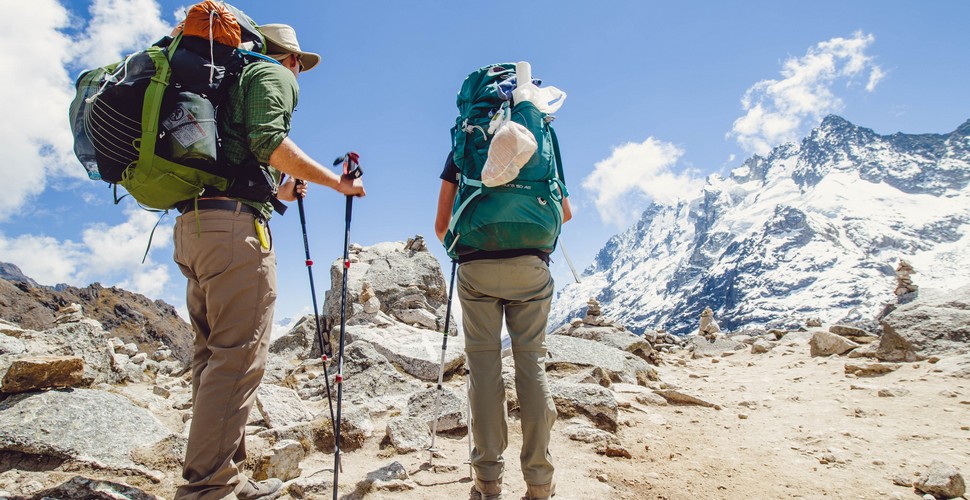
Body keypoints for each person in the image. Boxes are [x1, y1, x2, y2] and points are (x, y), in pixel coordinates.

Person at [174, 23, 365, 500]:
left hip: (194, 228)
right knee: (238, 360)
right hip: (233, 234)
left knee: (213, 358)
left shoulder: (223, 81)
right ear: (290, 58)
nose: (300, 72)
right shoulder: (270, 74)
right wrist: (336, 183)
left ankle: (224, 475)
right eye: (300, 62)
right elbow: (269, 142)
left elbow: (237, 161)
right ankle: (208, 489)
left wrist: (276, 198)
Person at [435, 150, 571, 500]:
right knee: (532, 363)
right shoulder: (541, 147)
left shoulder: (466, 145)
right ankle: (540, 482)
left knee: (483, 367)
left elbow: (442, 225)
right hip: (531, 267)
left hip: (476, 268)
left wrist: (467, 251)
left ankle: (488, 481)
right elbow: (564, 214)